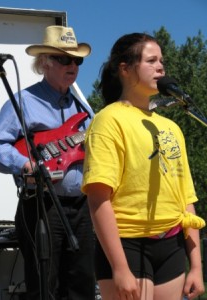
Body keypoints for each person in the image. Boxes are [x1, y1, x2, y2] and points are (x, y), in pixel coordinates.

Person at [81, 32, 206, 300]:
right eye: (151, 60)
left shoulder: (170, 127)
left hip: (171, 245)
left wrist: (196, 266)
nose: (161, 66)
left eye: (162, 60)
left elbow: (186, 198)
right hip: (127, 245)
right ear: (124, 69)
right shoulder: (108, 120)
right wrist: (120, 267)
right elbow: (98, 199)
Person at [0, 25, 95, 300]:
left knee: (82, 285)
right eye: (64, 59)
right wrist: (25, 165)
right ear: (44, 62)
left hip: (82, 208)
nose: (73, 65)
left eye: (77, 60)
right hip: (42, 207)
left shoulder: (84, 108)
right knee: (45, 287)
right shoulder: (24, 101)